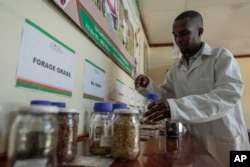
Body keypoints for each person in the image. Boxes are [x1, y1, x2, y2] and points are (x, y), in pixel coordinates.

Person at [134, 10, 249, 167]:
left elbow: (227, 95)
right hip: (197, 142)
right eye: (174, 35)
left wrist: (175, 107)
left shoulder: (221, 57)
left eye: (184, 33)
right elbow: (167, 97)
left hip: (229, 143)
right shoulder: (176, 69)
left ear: (199, 31)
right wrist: (148, 87)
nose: (178, 40)